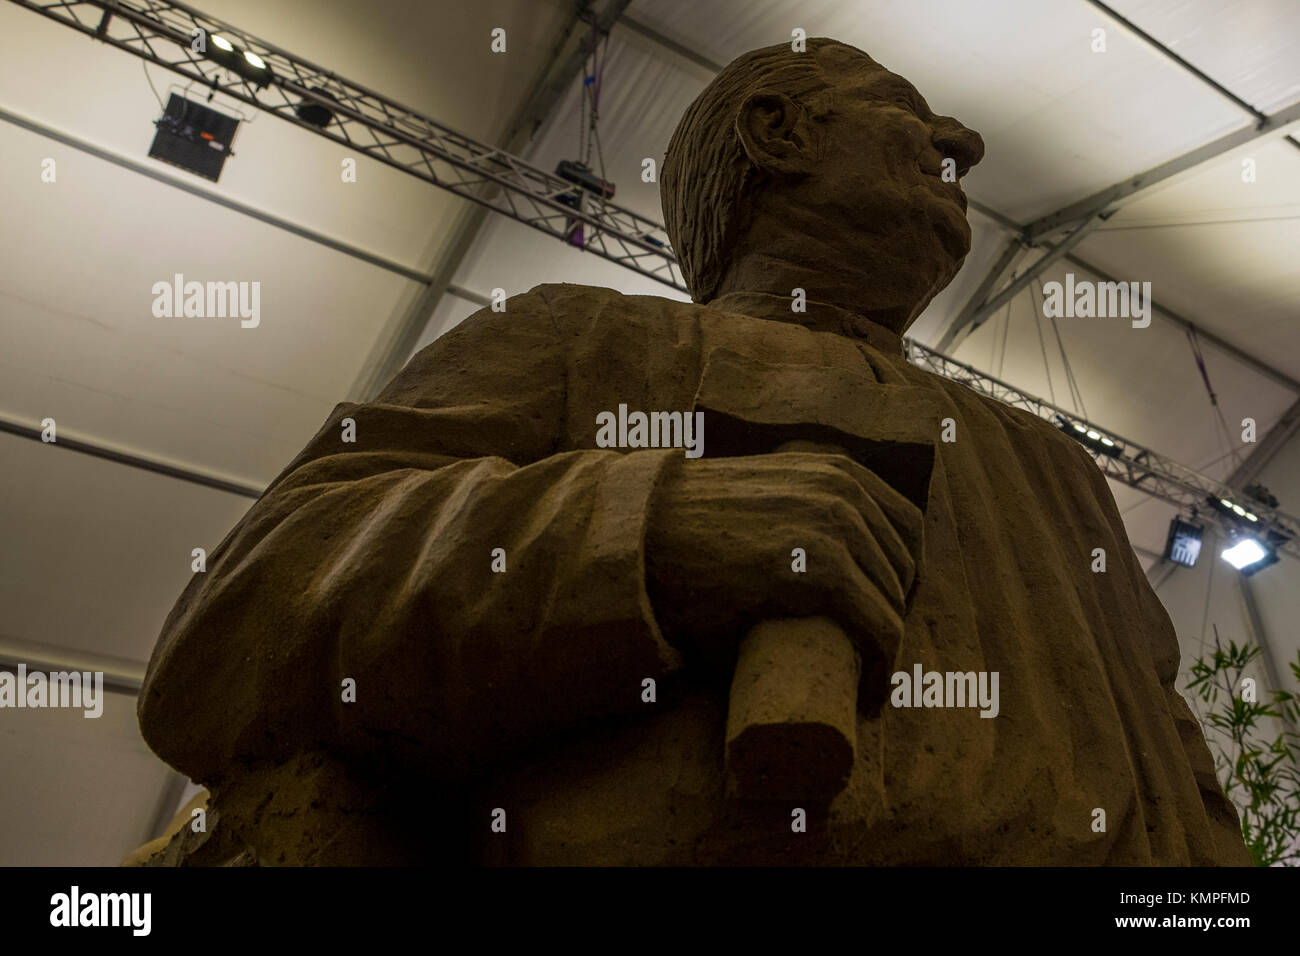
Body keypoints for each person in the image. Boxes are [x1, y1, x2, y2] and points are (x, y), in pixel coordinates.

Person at [135, 38, 1249, 865]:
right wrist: (648, 534)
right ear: (777, 134)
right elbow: (241, 622)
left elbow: (1183, 786)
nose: (961, 143)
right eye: (906, 113)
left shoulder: (1049, 464)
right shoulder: (579, 338)